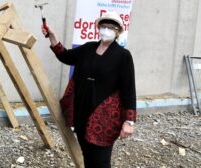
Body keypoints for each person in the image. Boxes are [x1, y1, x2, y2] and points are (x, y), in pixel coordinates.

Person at [43, 11, 136, 168]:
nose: (106, 30)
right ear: (98, 28)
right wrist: (52, 35)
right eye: (103, 26)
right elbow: (65, 55)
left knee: (100, 160)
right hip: (81, 112)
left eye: (111, 27)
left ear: (118, 31)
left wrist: (129, 121)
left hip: (104, 117)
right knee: (87, 154)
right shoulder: (88, 48)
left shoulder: (123, 56)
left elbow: (129, 89)